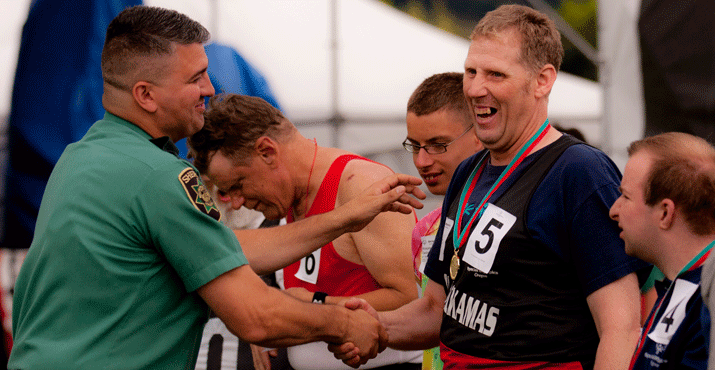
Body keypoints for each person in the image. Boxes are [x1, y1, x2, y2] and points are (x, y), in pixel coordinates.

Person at [7, 6, 427, 369]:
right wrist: (343, 323)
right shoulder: (156, 176)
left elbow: (224, 249)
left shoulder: (79, 158)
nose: (209, 89)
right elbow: (255, 316)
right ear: (146, 95)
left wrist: (341, 218)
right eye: (196, 77)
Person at [332, 4, 647, 369]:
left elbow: (621, 329)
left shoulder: (578, 172)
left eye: (495, 74)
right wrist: (369, 324)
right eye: (471, 71)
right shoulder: (468, 173)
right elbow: (437, 310)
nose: (476, 88)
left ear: (542, 81)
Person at [187, 93, 423, 370]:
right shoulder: (289, 197)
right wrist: (276, 320)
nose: (237, 202)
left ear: (267, 152)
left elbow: (409, 300)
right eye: (226, 192)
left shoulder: (360, 184)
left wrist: (306, 308)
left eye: (238, 184)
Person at [609, 132, 714, 369]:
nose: (614, 210)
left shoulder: (706, 301)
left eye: (625, 196)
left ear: (665, 213)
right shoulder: (685, 284)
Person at [402, 72, 482, 370]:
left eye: (438, 144)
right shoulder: (425, 229)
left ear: (479, 135)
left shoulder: (515, 215)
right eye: (415, 146)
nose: (422, 161)